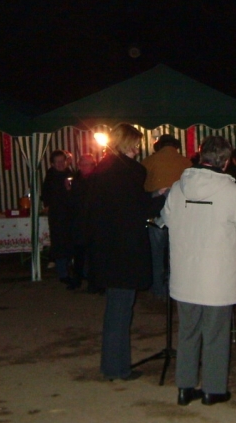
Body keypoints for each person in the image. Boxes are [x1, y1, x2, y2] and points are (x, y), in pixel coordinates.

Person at [162, 136, 236, 406]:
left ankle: (184, 387)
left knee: (188, 332)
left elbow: (167, 219)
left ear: (200, 155)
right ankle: (212, 390)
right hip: (216, 276)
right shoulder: (233, 193)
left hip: (185, 273)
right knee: (216, 335)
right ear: (227, 162)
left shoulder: (177, 189)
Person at [84, 124, 159, 382]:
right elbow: (136, 209)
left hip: (107, 248)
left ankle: (112, 364)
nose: (138, 149)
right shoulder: (128, 172)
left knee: (115, 309)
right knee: (121, 309)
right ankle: (118, 368)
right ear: (124, 143)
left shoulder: (103, 169)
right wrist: (159, 198)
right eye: (134, 144)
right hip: (125, 250)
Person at [140, 134, 192, 298]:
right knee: (175, 254)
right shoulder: (186, 162)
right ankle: (174, 288)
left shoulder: (149, 161)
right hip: (179, 215)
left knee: (156, 254)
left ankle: (158, 289)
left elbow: (144, 188)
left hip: (157, 213)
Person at [42, 150, 74, 284]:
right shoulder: (51, 176)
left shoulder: (70, 173)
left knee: (70, 242)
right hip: (58, 216)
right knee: (60, 243)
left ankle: (69, 270)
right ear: (53, 164)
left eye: (62, 161)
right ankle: (63, 273)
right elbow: (46, 196)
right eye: (58, 162)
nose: (61, 164)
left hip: (70, 215)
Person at [67, 153, 96, 291]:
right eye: (82, 164)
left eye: (88, 164)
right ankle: (77, 280)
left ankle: (93, 283)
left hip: (92, 222)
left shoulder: (96, 180)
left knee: (93, 256)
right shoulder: (75, 180)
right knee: (78, 254)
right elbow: (71, 202)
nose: (85, 167)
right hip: (79, 222)